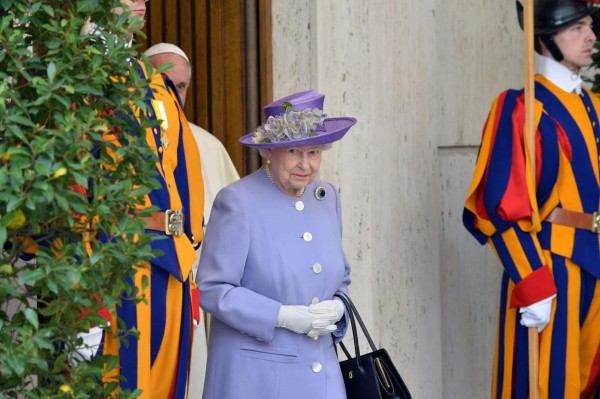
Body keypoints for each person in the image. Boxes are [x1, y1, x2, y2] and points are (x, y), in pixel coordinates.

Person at [463, 1, 600, 397]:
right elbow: (496, 209)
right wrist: (532, 281)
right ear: (544, 38)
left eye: (590, 25)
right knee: (544, 388)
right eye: (576, 27)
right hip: (550, 267)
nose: (590, 36)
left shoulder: (591, 104)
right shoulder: (520, 107)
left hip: (593, 262)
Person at [196, 90, 357, 399]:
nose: (305, 165)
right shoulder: (238, 202)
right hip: (257, 380)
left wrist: (339, 307)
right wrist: (281, 316)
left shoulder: (327, 197)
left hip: (323, 379)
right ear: (269, 151)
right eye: (294, 151)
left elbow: (341, 277)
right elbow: (212, 288)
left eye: (314, 152)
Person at [80, 2, 205, 398]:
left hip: (168, 265)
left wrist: (187, 253)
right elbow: (69, 190)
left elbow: (183, 173)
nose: (141, 2)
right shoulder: (75, 75)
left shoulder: (151, 81)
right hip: (111, 265)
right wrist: (85, 299)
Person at [143, 42, 240, 397]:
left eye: (180, 86)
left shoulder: (207, 145)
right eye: (163, 83)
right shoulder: (128, 142)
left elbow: (235, 234)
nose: (173, 94)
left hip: (198, 295)